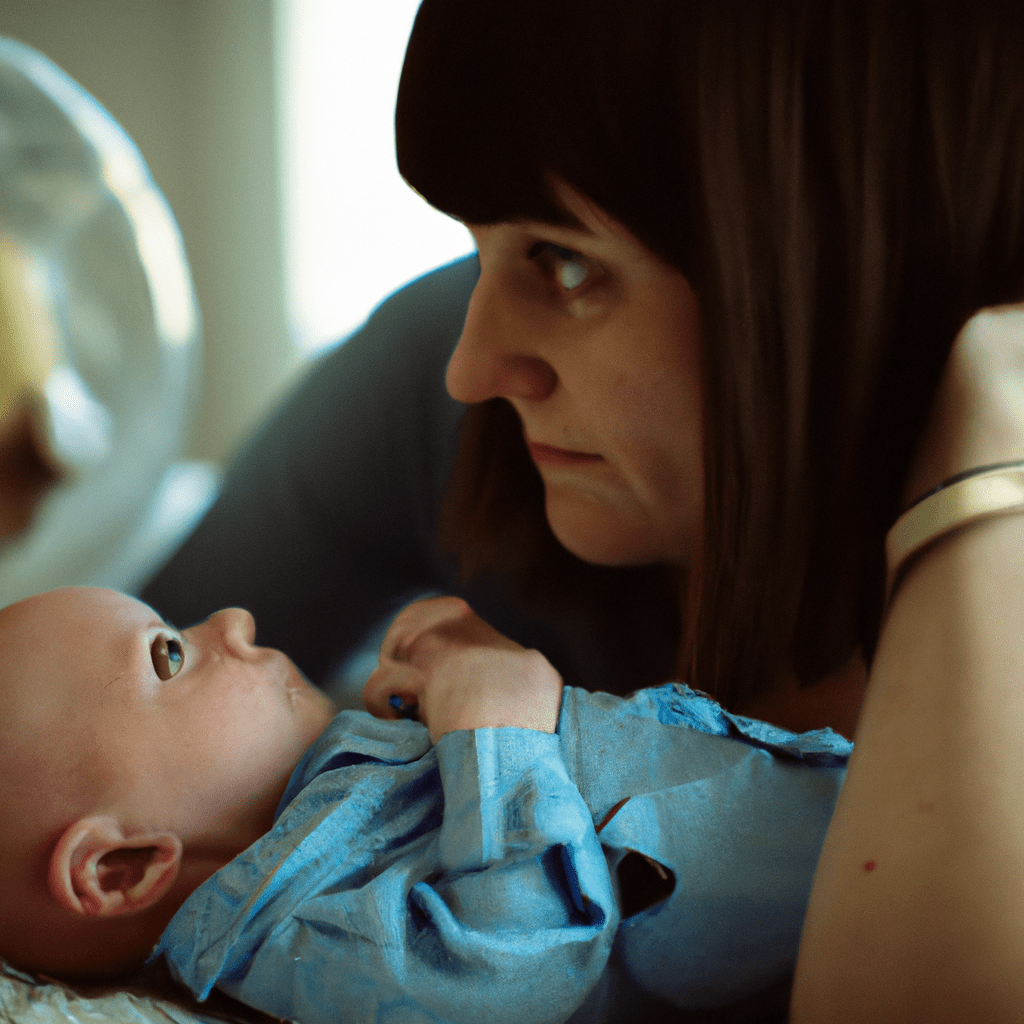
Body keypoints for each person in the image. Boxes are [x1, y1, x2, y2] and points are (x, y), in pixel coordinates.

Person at [142, 1, 1024, 1020]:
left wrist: (978, 501)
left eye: (564, 263)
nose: (474, 368)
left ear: (846, 247)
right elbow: (77, 754)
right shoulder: (432, 386)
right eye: (480, 249)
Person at [0, 587, 849, 1023]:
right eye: (168, 654)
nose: (231, 618)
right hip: (886, 904)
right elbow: (520, 975)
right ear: (123, 867)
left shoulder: (302, 820)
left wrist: (439, 680)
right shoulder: (310, 941)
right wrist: (494, 720)